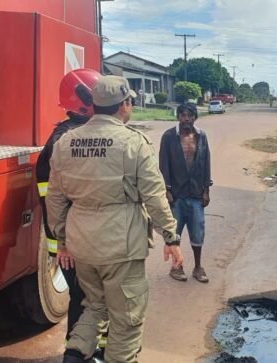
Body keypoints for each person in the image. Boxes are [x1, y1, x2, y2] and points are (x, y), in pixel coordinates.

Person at [46, 75, 183, 363]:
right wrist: (170, 236)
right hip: (121, 247)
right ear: (124, 105)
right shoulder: (133, 142)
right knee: (127, 319)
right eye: (129, 101)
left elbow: (55, 198)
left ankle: (73, 356)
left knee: (94, 307)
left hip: (82, 245)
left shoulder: (66, 142)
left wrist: (63, 241)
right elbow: (154, 195)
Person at [36, 68, 110, 357]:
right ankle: (79, 355)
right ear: (85, 100)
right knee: (85, 301)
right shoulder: (64, 142)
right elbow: (54, 199)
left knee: (95, 298)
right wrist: (63, 243)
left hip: (78, 239)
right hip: (73, 242)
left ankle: (98, 352)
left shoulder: (75, 135)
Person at [159, 103, 212, 283]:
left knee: (198, 232)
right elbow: (163, 165)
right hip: (176, 194)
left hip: (196, 193)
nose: (186, 119)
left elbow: (206, 163)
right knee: (175, 232)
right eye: (182, 115)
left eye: (189, 115)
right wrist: (167, 190)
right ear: (178, 117)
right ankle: (176, 267)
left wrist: (206, 190)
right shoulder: (169, 137)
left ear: (195, 117)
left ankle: (198, 267)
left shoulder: (201, 136)